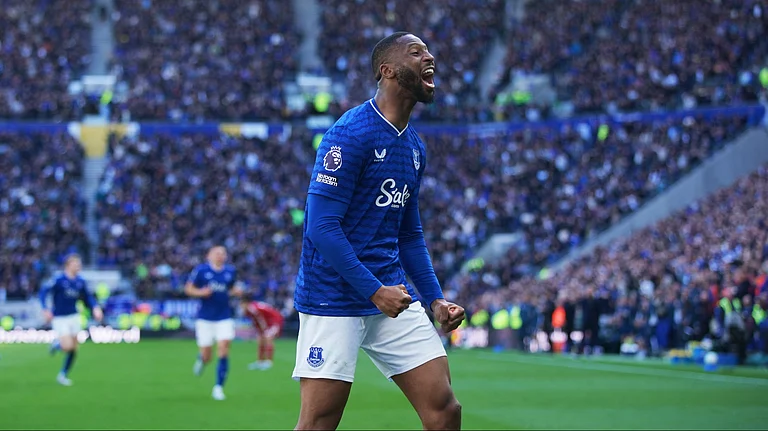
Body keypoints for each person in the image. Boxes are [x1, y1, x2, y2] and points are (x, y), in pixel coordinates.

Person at [292, 32, 465, 430]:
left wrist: (435, 300)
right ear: (388, 70)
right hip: (333, 296)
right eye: (416, 52)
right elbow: (320, 226)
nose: (430, 57)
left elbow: (409, 235)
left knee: (445, 409)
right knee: (320, 421)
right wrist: (374, 290)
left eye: (428, 51)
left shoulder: (415, 147)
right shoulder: (350, 134)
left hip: (392, 295)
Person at [184, 246, 243, 401]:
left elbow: (231, 289)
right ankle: (202, 359)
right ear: (209, 255)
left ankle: (218, 387)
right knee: (207, 355)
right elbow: (189, 289)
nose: (220, 255)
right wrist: (201, 292)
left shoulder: (230, 271)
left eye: (223, 253)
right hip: (205, 318)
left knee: (223, 349)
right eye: (217, 253)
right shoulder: (201, 271)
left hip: (224, 317)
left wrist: (236, 291)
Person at [39, 254, 103, 386]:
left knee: (74, 348)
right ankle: (57, 344)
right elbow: (43, 292)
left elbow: (87, 297)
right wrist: (45, 308)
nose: (78, 266)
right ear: (68, 265)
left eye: (79, 264)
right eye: (76, 264)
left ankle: (63, 374)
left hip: (74, 316)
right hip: (60, 317)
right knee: (67, 346)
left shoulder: (80, 281)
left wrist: (95, 308)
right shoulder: (58, 280)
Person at [240, 298, 285, 371]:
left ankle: (269, 362)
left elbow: (260, 319)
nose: (241, 307)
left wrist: (264, 329)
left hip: (274, 320)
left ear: (246, 303)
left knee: (268, 338)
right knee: (260, 340)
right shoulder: (250, 309)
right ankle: (260, 362)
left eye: (242, 304)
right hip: (268, 321)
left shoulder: (252, 308)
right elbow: (256, 321)